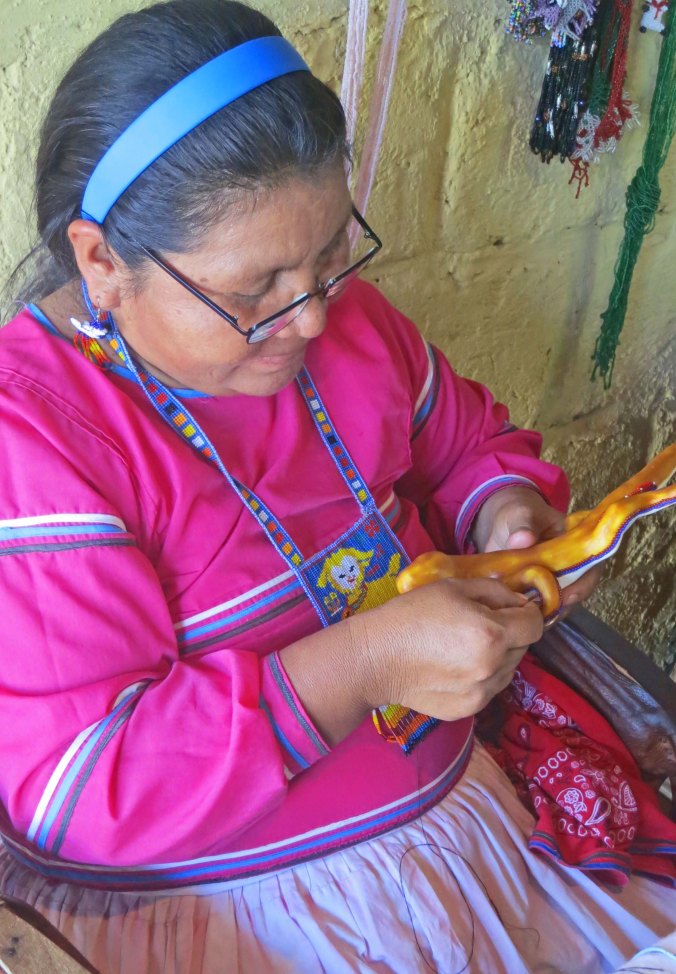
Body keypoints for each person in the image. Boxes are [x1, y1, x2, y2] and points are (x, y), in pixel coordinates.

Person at [0, 2, 673, 972]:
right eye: (254, 290)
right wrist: (362, 666)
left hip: (469, 845)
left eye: (327, 257)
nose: (312, 318)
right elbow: (87, 790)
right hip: (236, 916)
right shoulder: (36, 442)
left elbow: (472, 446)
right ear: (101, 259)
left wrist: (511, 516)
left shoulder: (347, 327)